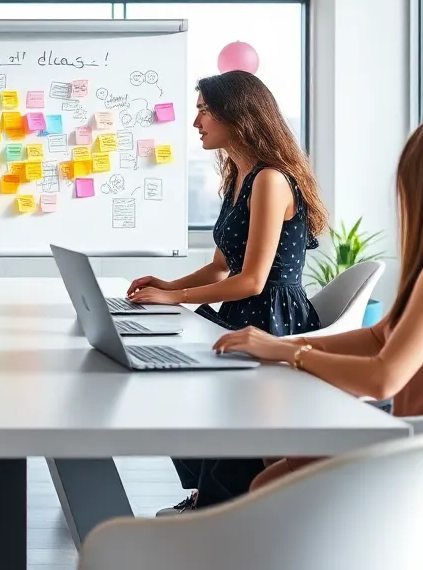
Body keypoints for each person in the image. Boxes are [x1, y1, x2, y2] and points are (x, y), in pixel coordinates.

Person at [212, 111, 423, 492]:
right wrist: (284, 345)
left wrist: (293, 356)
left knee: (266, 483)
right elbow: (379, 337)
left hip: (422, 450)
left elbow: (385, 378)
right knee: (278, 450)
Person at [124, 70, 329, 513]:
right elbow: (221, 268)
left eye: (204, 110)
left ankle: (218, 501)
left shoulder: (270, 180)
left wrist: (174, 300)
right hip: (241, 309)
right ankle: (206, 493)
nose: (196, 122)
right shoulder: (239, 176)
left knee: (181, 378)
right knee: (165, 377)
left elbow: (254, 279)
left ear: (237, 115)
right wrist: (169, 285)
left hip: (272, 317)